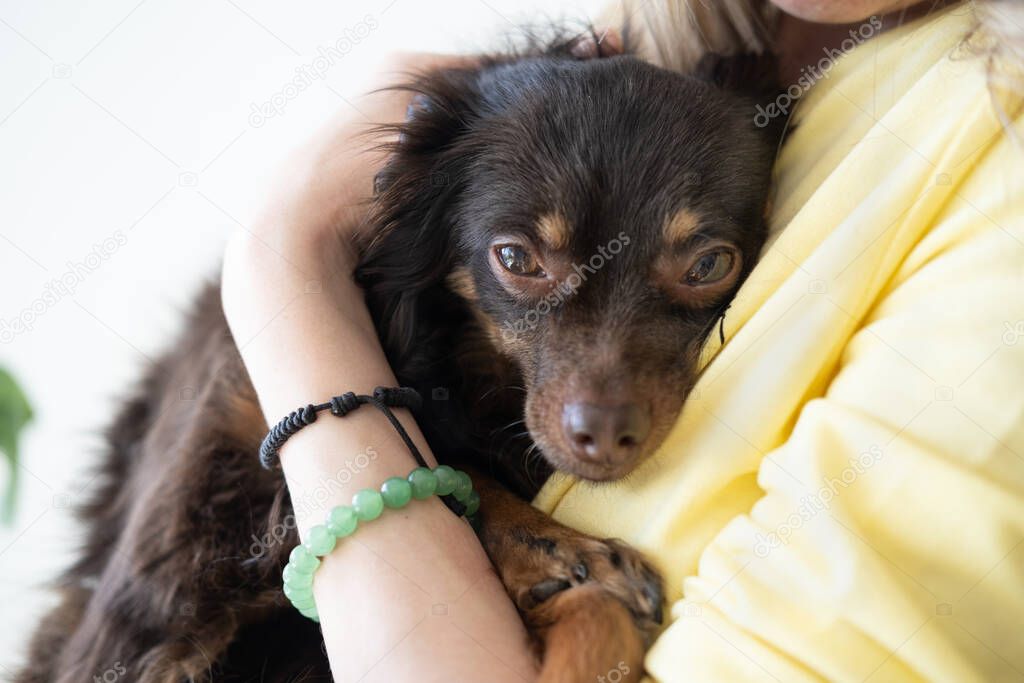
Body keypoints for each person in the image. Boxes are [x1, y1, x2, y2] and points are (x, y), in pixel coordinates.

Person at [221, 1, 1024, 680]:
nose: (598, 406)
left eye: (703, 266)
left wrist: (281, 271)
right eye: (522, 262)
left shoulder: (998, 147)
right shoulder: (623, 71)